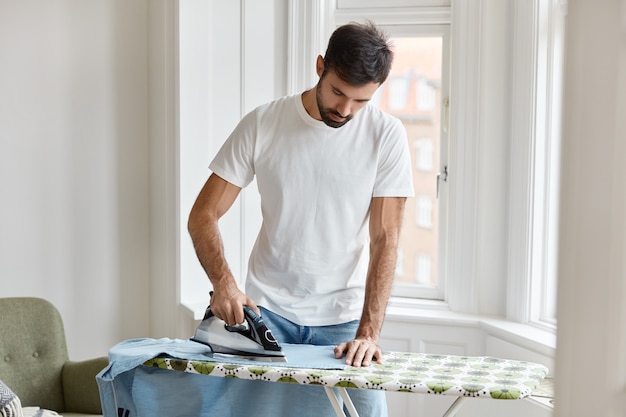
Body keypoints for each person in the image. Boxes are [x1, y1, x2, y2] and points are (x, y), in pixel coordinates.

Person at [188, 21, 414, 416]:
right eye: (338, 92)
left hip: (344, 324)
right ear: (319, 66)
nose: (345, 110)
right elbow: (203, 215)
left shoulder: (387, 136)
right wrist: (223, 285)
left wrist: (369, 333)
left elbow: (386, 239)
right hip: (268, 313)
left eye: (360, 102)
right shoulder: (264, 123)